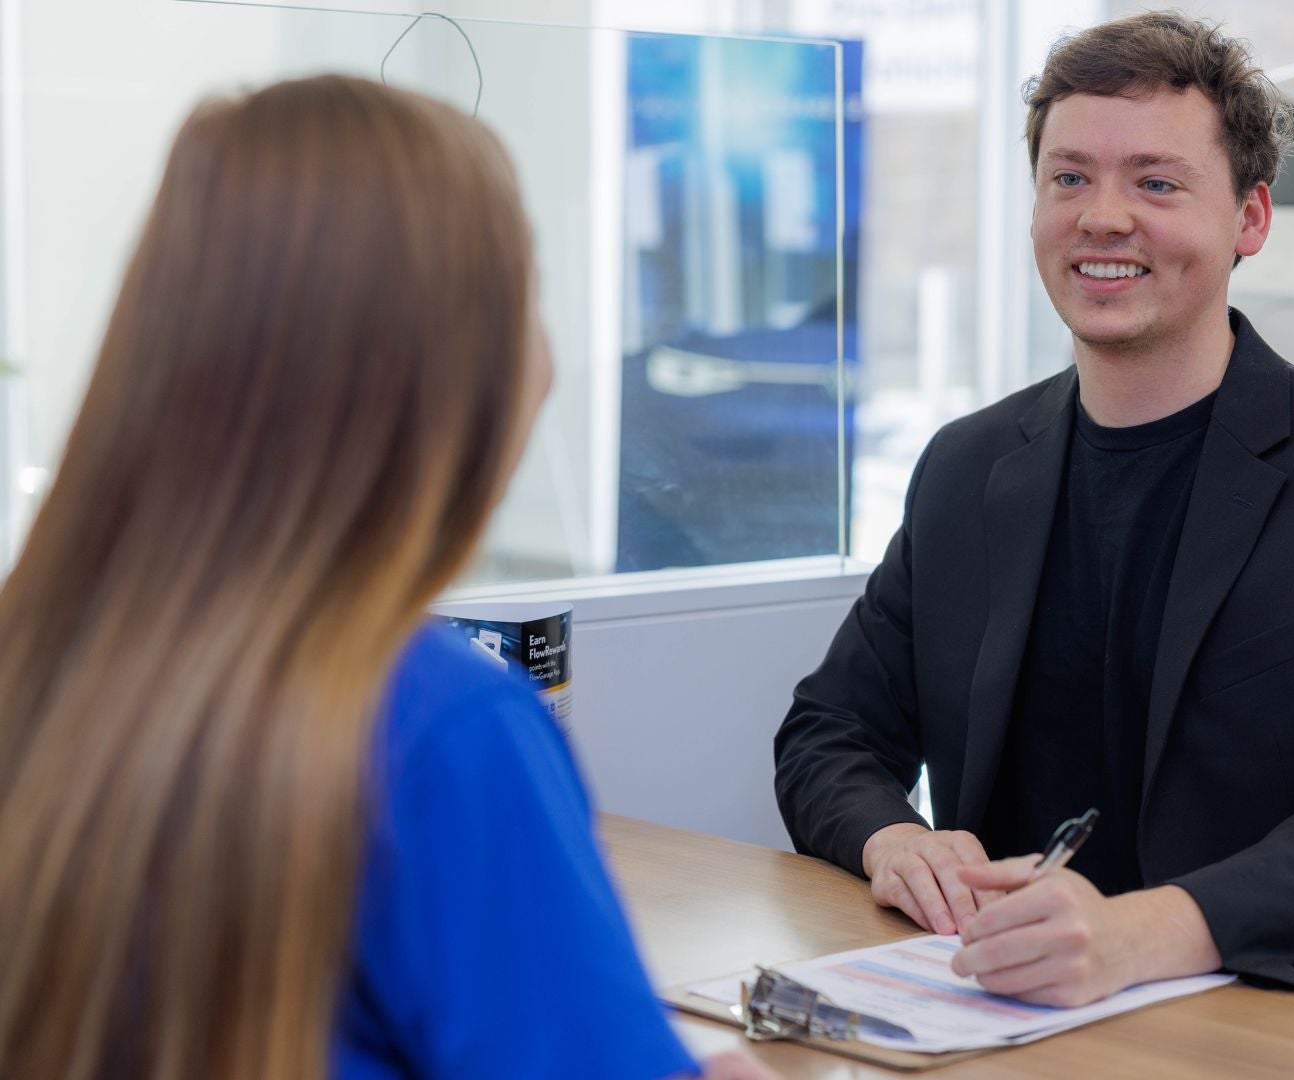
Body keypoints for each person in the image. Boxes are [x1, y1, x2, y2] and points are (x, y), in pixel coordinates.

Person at [0, 77, 772, 1080]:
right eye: (525, 304)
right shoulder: (441, 726)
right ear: (442, 370)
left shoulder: (42, 662)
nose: (546, 364)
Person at [775, 12, 1294, 1007]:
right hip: (1026, 1009)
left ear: (1249, 219)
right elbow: (828, 732)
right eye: (1069, 178)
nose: (1102, 217)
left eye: (1156, 183)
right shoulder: (969, 467)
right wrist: (894, 839)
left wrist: (1137, 936)